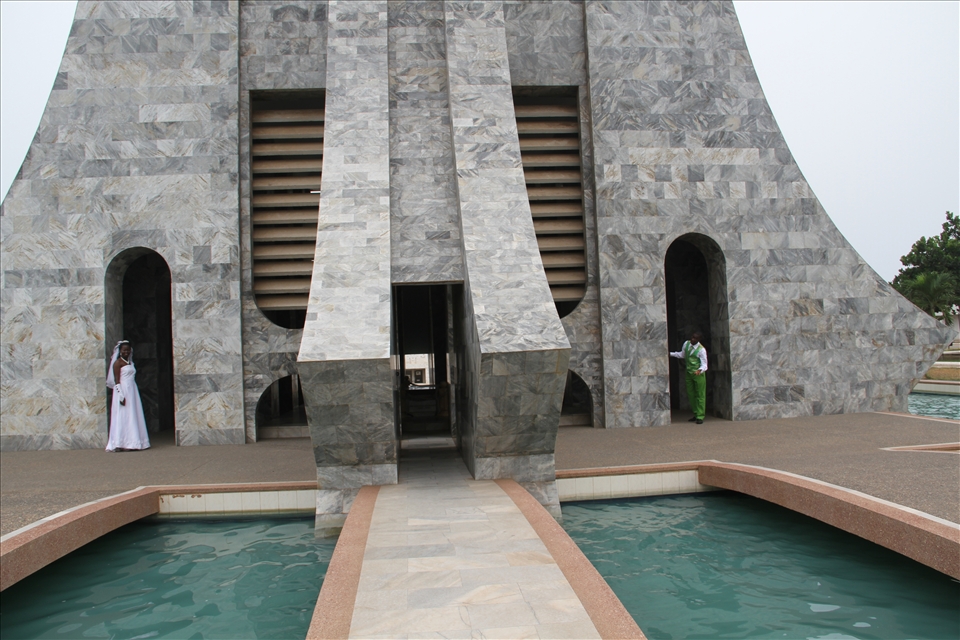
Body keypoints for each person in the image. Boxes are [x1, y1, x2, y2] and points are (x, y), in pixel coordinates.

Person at [105, 340, 150, 451]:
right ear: (120, 351)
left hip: (132, 390)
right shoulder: (118, 363)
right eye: (124, 350)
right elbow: (116, 380)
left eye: (128, 350)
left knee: (133, 414)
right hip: (123, 390)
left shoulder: (130, 363)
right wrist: (120, 395)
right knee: (123, 415)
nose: (126, 352)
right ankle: (121, 442)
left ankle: (133, 441)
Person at [670, 332, 708, 424]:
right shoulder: (686, 344)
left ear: (699, 340)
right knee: (691, 394)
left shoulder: (701, 350)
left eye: (695, 338)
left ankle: (700, 415)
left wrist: (699, 370)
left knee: (700, 394)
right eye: (692, 337)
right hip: (689, 373)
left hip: (698, 374)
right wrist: (671, 354)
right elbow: (682, 355)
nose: (692, 339)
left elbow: (705, 364)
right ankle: (695, 413)